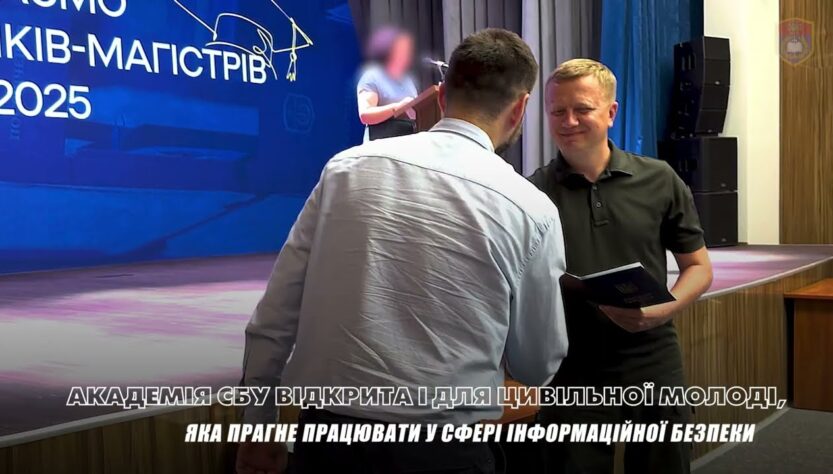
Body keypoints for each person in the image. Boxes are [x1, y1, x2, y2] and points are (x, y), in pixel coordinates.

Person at [236, 29, 569, 474]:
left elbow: (275, 316)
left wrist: (259, 423)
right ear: (521, 108)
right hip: (444, 453)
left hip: (327, 444)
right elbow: (537, 363)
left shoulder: (345, 169)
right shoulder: (531, 209)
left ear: (443, 96)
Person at [528, 59, 714, 474]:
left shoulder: (660, 179)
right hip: (571, 367)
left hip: (654, 359)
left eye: (582, 109)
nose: (568, 121)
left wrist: (663, 309)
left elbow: (699, 267)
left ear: (611, 112)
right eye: (557, 111)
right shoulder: (531, 193)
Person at [356, 26, 419, 142]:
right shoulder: (372, 76)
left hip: (407, 143)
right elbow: (365, 115)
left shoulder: (408, 81)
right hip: (381, 144)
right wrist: (397, 107)